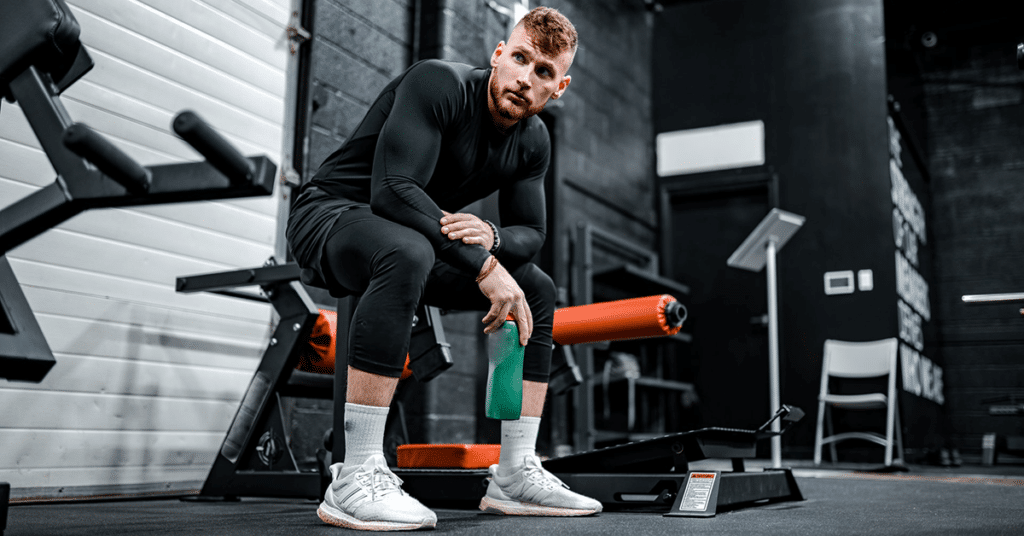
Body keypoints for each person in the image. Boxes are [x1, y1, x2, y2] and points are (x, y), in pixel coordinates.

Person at [286, 6, 602, 532]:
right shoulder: (439, 84)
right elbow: (391, 191)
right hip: (334, 214)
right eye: (520, 59)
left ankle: (516, 472)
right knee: (406, 251)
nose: (526, 78)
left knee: (536, 288)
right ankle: (355, 474)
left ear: (559, 86)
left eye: (543, 71)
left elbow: (533, 234)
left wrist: (493, 238)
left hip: (419, 237)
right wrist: (483, 265)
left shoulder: (533, 140)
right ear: (499, 54)